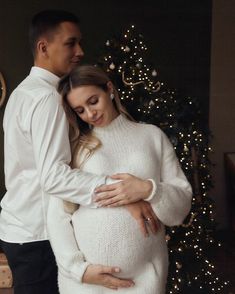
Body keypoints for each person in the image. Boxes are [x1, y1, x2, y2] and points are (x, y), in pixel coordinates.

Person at [0, 10, 156, 294]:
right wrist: (120, 193)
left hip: (22, 230)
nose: (80, 51)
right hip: (37, 235)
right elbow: (54, 178)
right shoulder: (47, 99)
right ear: (43, 47)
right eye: (71, 43)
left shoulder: (23, 92)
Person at [47, 65, 192, 294]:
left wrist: (148, 189)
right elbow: (57, 215)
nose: (90, 114)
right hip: (87, 286)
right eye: (80, 110)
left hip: (145, 282)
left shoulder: (152, 136)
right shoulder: (77, 148)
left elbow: (181, 206)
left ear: (109, 89)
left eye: (93, 101)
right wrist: (78, 270)